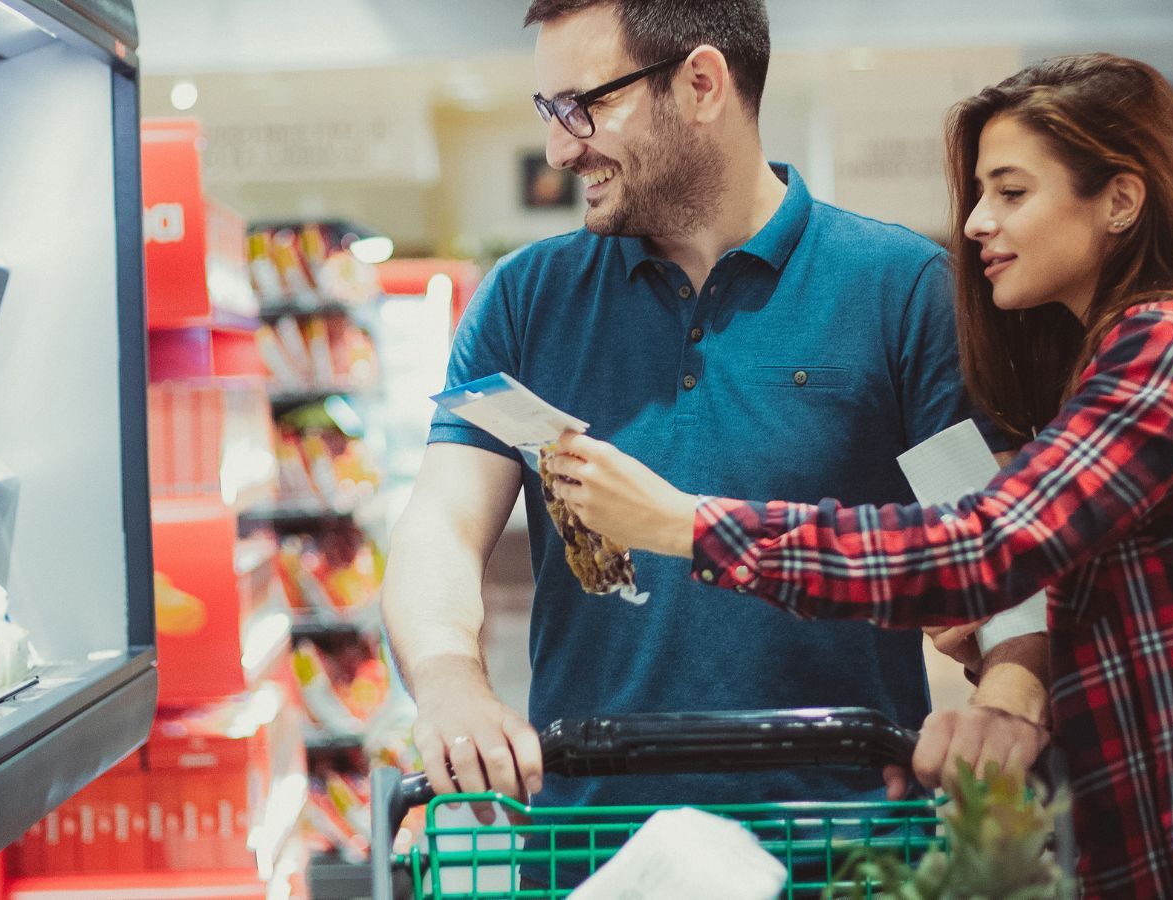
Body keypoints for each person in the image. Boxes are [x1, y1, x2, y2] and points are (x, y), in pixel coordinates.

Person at [547, 53, 1173, 898]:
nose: (977, 223)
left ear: (1120, 199)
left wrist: (687, 525)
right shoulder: (1119, 360)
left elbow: (989, 542)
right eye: (979, 194)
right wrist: (1012, 669)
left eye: (1011, 192)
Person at [381, 0, 1051, 832]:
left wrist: (1013, 689)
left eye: (585, 106)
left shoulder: (899, 292)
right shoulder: (526, 301)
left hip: (843, 843)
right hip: (593, 845)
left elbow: (994, 543)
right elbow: (443, 522)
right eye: (550, 112)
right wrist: (450, 682)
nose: (559, 147)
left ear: (702, 83)